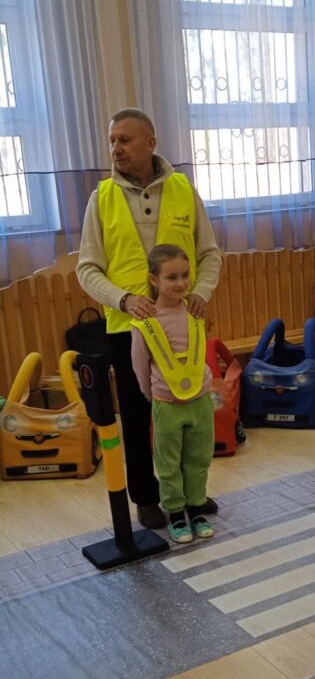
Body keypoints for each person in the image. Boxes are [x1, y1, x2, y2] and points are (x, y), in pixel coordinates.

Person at [77, 108, 221, 530]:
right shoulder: (101, 198)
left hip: (183, 328)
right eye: (112, 141)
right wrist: (122, 300)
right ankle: (146, 496)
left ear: (151, 143)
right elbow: (87, 268)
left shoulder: (182, 189)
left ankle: (191, 495)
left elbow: (209, 253)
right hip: (129, 330)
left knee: (190, 414)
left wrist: (200, 293)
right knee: (139, 416)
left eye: (125, 139)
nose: (116, 148)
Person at [130, 244, 215, 544]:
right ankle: (176, 514)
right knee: (168, 464)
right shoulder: (145, 322)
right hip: (166, 403)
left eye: (185, 275)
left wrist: (206, 383)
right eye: (171, 277)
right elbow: (139, 366)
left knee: (199, 459)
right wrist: (151, 395)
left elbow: (200, 350)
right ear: (154, 280)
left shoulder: (194, 311)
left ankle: (197, 508)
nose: (180, 283)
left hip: (200, 399)